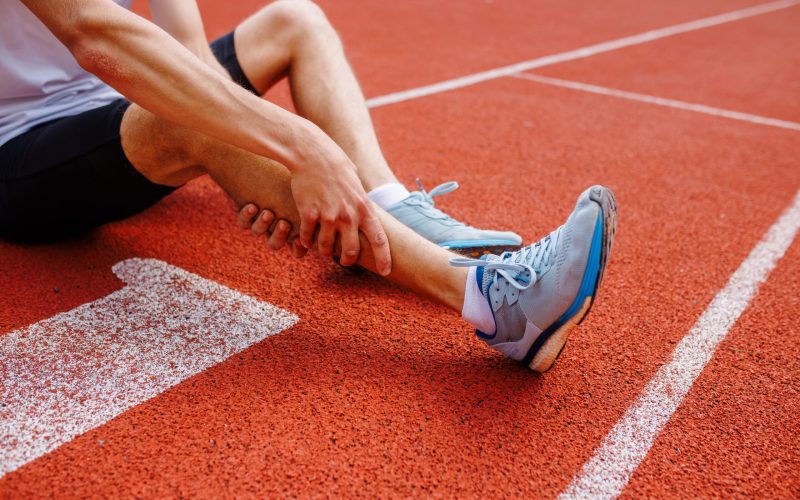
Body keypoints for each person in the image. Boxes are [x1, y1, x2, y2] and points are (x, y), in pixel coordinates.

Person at [0, 0, 618, 372]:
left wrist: (243, 173)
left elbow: (190, 60)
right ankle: (495, 305)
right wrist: (299, 146)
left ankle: (385, 206)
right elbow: (95, 38)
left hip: (112, 114)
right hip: (18, 152)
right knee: (185, 119)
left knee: (297, 20)